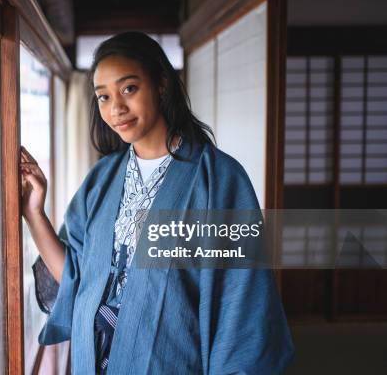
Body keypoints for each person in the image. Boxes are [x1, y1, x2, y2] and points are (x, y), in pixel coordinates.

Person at [20, 32, 294, 374]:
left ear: (162, 84)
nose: (116, 108)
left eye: (129, 89)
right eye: (103, 97)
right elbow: (75, 278)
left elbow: (241, 302)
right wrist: (34, 212)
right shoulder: (101, 180)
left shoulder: (219, 180)